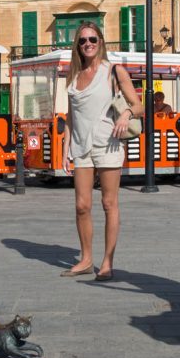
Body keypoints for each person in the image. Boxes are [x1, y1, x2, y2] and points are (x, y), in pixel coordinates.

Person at [60, 22, 141, 281]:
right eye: (83, 41)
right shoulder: (73, 75)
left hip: (108, 142)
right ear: (77, 45)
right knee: (82, 205)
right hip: (80, 146)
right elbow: (72, 116)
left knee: (109, 203)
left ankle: (107, 261)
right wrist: (65, 148)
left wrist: (126, 114)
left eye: (92, 39)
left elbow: (138, 105)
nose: (88, 45)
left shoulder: (113, 71)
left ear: (101, 41)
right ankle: (86, 260)